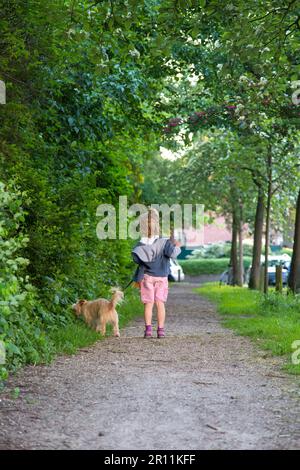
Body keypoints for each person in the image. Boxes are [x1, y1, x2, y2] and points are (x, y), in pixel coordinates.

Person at [131, 209, 181, 339]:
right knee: (160, 303)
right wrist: (177, 246)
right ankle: (160, 330)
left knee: (148, 304)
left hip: (147, 276)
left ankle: (148, 331)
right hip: (161, 278)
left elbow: (136, 259)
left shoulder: (141, 243)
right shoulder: (164, 242)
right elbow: (173, 254)